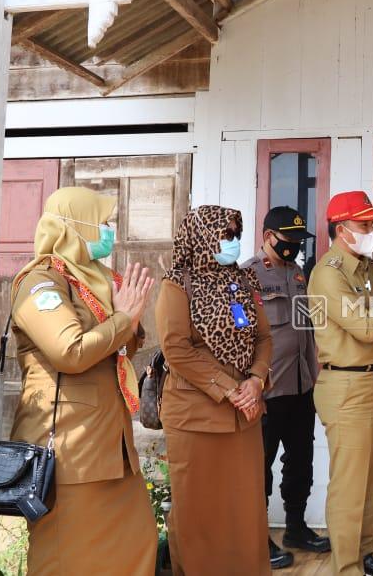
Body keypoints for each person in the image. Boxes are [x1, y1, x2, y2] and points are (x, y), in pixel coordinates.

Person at [10, 187, 157, 575]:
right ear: (75, 225)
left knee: (136, 546)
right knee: (70, 558)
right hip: (70, 447)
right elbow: (70, 352)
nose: (109, 230)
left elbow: (119, 344)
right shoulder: (41, 282)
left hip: (112, 444)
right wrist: (123, 319)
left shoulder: (95, 279)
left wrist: (130, 320)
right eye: (103, 221)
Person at [155, 206, 274, 576]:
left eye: (236, 235)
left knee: (244, 510)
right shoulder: (177, 284)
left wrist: (255, 380)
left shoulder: (244, 280)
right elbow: (176, 349)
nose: (233, 242)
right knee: (199, 513)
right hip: (197, 417)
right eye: (226, 234)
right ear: (202, 237)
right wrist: (229, 388)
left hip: (245, 414)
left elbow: (265, 338)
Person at [308, 191, 373, 576]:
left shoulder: (365, 268)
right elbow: (369, 329)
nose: (371, 230)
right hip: (345, 386)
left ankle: (364, 553)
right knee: (350, 486)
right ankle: (346, 566)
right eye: (364, 224)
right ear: (342, 230)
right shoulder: (328, 274)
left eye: (372, 223)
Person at [242, 206, 330, 569]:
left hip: (300, 385)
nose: (294, 246)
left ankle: (296, 527)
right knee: (258, 467)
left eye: (298, 241)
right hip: (267, 389)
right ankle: (255, 538)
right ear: (268, 237)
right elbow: (243, 336)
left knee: (301, 461)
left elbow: (305, 330)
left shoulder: (297, 274)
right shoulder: (248, 275)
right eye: (287, 240)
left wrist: (314, 375)